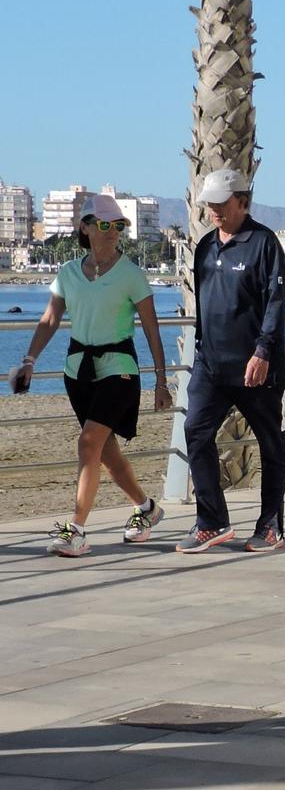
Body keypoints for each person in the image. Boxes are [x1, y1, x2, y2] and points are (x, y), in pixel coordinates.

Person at [12, 195, 172, 556]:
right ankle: (147, 509)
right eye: (105, 225)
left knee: (88, 443)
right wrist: (29, 361)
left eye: (119, 226)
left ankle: (77, 530)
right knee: (105, 452)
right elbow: (50, 319)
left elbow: (151, 329)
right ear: (85, 227)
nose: (113, 232)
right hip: (77, 372)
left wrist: (161, 383)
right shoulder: (67, 273)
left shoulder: (131, 274)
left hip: (119, 369)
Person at [180, 167, 285, 554]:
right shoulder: (206, 245)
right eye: (208, 205)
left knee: (270, 441)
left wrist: (263, 351)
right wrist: (199, 348)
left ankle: (270, 525)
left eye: (221, 204)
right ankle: (212, 521)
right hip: (210, 365)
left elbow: (276, 304)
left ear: (243, 201)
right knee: (195, 432)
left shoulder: (264, 243)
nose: (213, 211)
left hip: (256, 368)